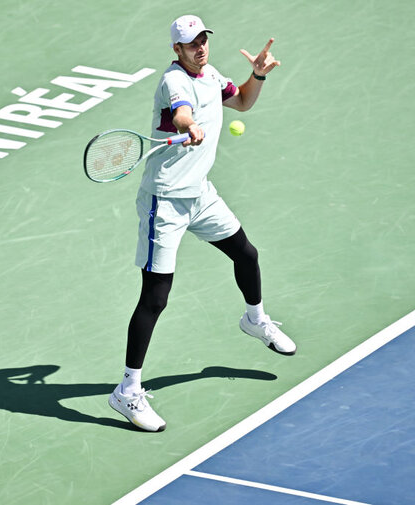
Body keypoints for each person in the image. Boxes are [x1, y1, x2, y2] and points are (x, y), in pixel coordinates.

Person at [108, 15, 296, 432]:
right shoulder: (174, 82)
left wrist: (257, 75)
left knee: (246, 254)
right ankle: (127, 391)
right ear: (177, 49)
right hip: (166, 202)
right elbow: (181, 114)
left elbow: (242, 101)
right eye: (192, 43)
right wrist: (189, 126)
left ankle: (255, 319)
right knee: (156, 296)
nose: (201, 48)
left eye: (204, 40)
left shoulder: (211, 74)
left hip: (200, 194)